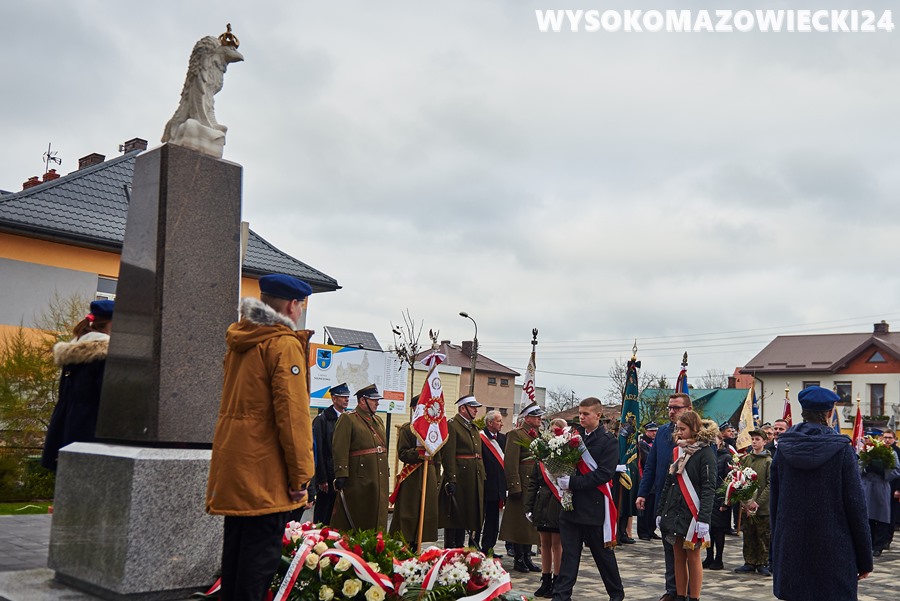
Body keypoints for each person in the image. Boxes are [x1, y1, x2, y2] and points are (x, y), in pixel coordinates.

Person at [206, 274, 315, 601]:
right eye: (301, 305)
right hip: (266, 474)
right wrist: (301, 477)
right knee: (257, 567)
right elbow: (293, 418)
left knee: (235, 561)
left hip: (235, 467)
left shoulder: (241, 339)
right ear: (292, 305)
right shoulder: (282, 344)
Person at [770, 386, 872, 601]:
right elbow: (856, 506)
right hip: (834, 550)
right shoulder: (843, 449)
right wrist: (865, 559)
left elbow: (775, 506)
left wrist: (776, 553)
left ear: (803, 412)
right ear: (829, 413)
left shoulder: (783, 448)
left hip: (792, 549)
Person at [552, 397, 624, 601]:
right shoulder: (573, 436)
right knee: (569, 556)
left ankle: (616, 594)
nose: (581, 417)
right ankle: (561, 596)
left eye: (586, 414)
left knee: (603, 556)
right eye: (580, 414)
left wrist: (572, 482)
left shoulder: (608, 441)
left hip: (594, 508)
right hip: (571, 507)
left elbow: (604, 474)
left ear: (598, 415)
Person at [41, 300, 115, 472]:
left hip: (65, 429)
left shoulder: (73, 352)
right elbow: (108, 399)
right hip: (91, 432)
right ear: (112, 323)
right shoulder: (106, 354)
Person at [636, 392, 693, 601]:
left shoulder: (699, 433)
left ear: (688, 409)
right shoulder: (662, 432)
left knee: (688, 550)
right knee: (669, 546)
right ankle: (672, 590)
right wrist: (643, 493)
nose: (671, 411)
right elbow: (651, 465)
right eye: (670, 407)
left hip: (688, 499)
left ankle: (689, 592)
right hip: (664, 497)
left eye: (676, 407)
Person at [657, 411, 717, 601]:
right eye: (677, 429)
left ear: (694, 428)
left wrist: (704, 518)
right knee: (678, 556)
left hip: (693, 512)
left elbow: (708, 487)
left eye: (683, 429)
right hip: (674, 510)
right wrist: (660, 511)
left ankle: (694, 597)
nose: (679, 432)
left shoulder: (705, 453)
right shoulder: (678, 451)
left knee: (692, 556)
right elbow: (669, 482)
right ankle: (680, 596)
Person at [330, 383, 389, 531]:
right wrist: (341, 473)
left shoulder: (378, 421)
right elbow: (340, 447)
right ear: (362, 400)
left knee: (377, 515)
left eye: (377, 400)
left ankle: (376, 542)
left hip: (378, 476)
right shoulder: (348, 419)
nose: (377, 403)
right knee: (359, 516)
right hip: (359, 478)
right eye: (373, 400)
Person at [389, 395, 441, 546]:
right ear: (414, 408)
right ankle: (407, 545)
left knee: (426, 512)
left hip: (429, 474)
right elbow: (402, 453)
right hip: (412, 476)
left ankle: (418, 545)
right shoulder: (407, 429)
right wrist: (418, 453)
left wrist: (437, 478)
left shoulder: (433, 430)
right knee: (409, 512)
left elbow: (438, 458)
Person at [525, 418, 566, 598]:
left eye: (558, 431)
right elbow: (533, 482)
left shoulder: (566, 455)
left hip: (557, 503)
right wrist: (528, 506)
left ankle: (557, 580)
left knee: (557, 544)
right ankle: (545, 579)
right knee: (544, 544)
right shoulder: (541, 457)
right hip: (542, 503)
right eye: (553, 431)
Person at [500, 401, 544, 572]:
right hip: (523, 483)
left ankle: (527, 556)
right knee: (519, 522)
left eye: (540, 416)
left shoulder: (539, 435)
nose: (540, 419)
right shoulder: (516, 434)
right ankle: (519, 557)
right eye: (536, 416)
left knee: (531, 524)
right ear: (527, 418)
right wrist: (514, 485)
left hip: (535, 484)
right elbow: (510, 461)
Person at [439, 395, 485, 548]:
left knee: (467, 515)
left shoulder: (473, 427)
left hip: (472, 477)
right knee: (454, 516)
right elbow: (448, 454)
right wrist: (451, 478)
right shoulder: (453, 425)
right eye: (472, 407)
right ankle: (450, 549)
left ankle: (461, 548)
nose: (476, 410)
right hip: (460, 476)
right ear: (462, 408)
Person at [733, 429, 772, 576]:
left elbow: (770, 484)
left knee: (762, 535)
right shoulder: (746, 459)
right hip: (747, 505)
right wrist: (745, 501)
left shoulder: (768, 461)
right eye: (753, 439)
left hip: (762, 507)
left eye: (757, 439)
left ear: (764, 442)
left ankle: (762, 562)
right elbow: (740, 480)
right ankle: (749, 561)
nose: (754, 442)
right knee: (748, 534)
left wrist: (758, 502)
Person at [311, 382, 350, 524]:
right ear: (334, 399)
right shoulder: (322, 420)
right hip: (328, 475)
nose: (346, 399)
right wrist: (321, 479)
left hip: (343, 475)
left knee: (339, 514)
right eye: (343, 397)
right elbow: (318, 451)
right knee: (324, 513)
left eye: (347, 396)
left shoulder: (349, 418)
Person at [861, 428, 900, 557]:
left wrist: (883, 472)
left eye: (889, 437)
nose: (886, 440)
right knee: (868, 517)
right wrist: (865, 469)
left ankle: (879, 545)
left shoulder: (891, 453)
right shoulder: (868, 449)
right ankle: (869, 544)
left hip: (882, 486)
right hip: (867, 486)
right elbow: (858, 465)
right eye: (885, 437)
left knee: (882, 517)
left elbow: (897, 470)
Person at [480, 409, 507, 557]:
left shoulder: (503, 439)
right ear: (490, 423)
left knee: (493, 519)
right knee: (479, 519)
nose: (501, 424)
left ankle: (489, 547)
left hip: (498, 486)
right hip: (484, 484)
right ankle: (474, 547)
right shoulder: (480, 438)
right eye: (499, 421)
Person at [702, 435, 732, 571]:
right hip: (708, 497)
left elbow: (729, 480)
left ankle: (718, 558)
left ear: (721, 441)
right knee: (708, 530)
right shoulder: (707, 454)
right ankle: (709, 556)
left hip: (720, 497)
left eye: (715, 440)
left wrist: (725, 501)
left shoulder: (726, 457)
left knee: (719, 530)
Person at [637, 421, 660, 541]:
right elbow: (647, 460)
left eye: (655, 431)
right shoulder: (643, 444)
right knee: (644, 508)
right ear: (646, 431)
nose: (654, 433)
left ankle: (651, 530)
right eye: (652, 431)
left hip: (656, 481)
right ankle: (643, 531)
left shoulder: (656, 443)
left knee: (653, 508)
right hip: (647, 479)